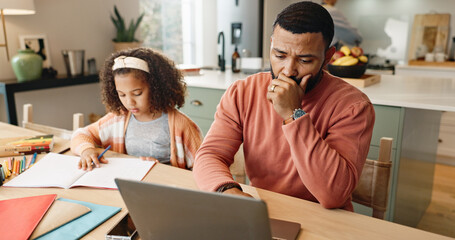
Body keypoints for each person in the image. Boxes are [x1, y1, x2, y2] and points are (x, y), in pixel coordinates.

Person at [193, 1, 375, 210]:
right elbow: (210, 155)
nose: (288, 71)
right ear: (271, 45)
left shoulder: (353, 106)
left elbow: (332, 195)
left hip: (325, 219)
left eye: (305, 60)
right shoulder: (242, 92)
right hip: (264, 209)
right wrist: (226, 191)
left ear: (327, 58)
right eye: (279, 56)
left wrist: (293, 114)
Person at [71, 47, 203, 171]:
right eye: (121, 94)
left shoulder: (182, 126)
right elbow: (80, 134)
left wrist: (161, 170)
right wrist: (87, 150)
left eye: (137, 93)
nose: (129, 102)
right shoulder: (119, 118)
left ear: (156, 87)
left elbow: (204, 168)